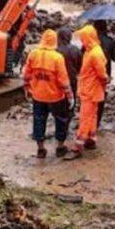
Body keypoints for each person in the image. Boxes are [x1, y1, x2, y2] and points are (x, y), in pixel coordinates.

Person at [23, 29, 73, 158]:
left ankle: (41, 148)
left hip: (38, 95)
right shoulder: (57, 58)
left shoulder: (33, 54)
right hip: (56, 96)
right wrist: (70, 96)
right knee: (61, 120)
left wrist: (27, 88)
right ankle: (60, 147)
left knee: (39, 120)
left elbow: (26, 74)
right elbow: (63, 80)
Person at [65, 25, 108, 160]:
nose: (81, 41)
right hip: (90, 89)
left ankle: (78, 146)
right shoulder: (92, 50)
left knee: (85, 117)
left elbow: (102, 74)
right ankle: (91, 139)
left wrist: (106, 80)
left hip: (90, 90)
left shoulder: (95, 53)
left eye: (82, 38)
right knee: (92, 116)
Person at [93, 20, 115, 127]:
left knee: (90, 99)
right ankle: (97, 122)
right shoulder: (110, 41)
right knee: (101, 98)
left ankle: (89, 121)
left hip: (91, 75)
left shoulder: (90, 41)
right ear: (106, 28)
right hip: (105, 75)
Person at [57, 27, 83, 109]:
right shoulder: (76, 49)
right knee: (71, 101)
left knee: (59, 101)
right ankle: (70, 114)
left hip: (58, 80)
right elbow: (80, 66)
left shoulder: (56, 51)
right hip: (72, 78)